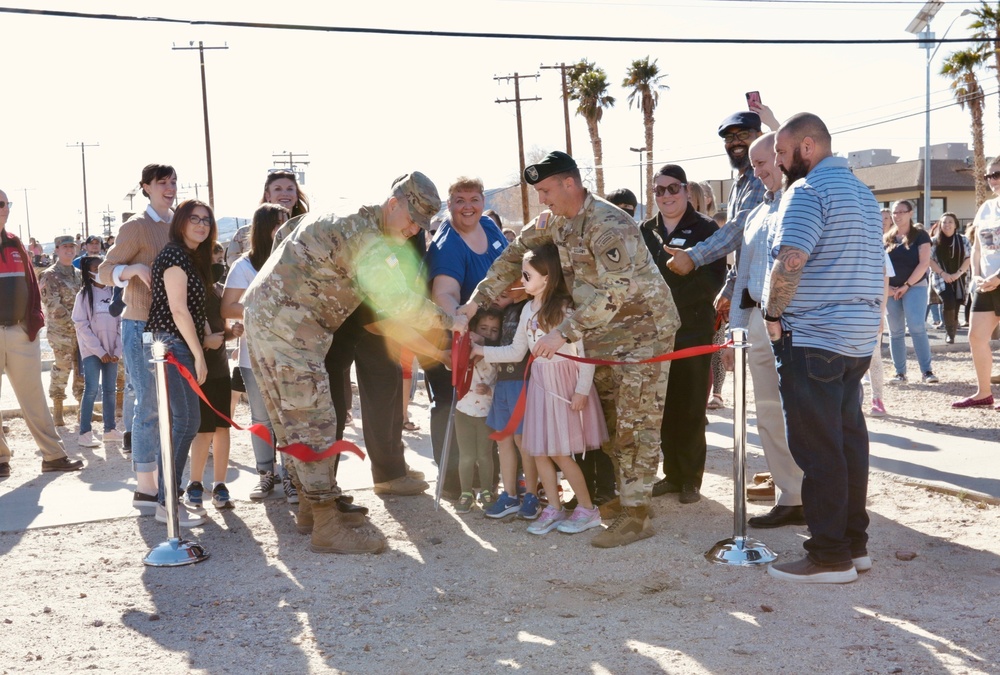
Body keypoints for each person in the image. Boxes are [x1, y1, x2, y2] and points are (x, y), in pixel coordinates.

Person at [459, 151, 680, 549]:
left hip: (642, 335)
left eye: (545, 190)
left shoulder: (609, 224)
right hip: (602, 338)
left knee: (636, 425)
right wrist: (475, 303)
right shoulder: (554, 221)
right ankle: (625, 501)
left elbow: (616, 289)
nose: (541, 199)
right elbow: (512, 257)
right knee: (612, 425)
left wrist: (563, 332)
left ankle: (639, 514)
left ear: (569, 183)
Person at [243, 171, 461, 555]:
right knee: (314, 420)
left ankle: (312, 509)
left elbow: (287, 232)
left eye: (420, 226)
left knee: (296, 418)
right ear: (394, 203)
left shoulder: (350, 213)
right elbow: (398, 303)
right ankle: (326, 522)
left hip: (279, 320)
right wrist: (452, 320)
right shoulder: (367, 239)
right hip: (288, 329)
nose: (413, 231)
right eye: (411, 220)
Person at [762, 113, 884, 583]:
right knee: (849, 443)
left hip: (813, 337)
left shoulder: (807, 192)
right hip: (855, 340)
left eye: (781, 152)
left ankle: (829, 555)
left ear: (807, 147)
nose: (778, 162)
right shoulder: (862, 193)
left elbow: (791, 260)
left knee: (819, 450)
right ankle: (854, 545)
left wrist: (772, 316)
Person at [474, 244, 608, 535]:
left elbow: (582, 356)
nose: (521, 280)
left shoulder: (564, 310)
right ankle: (555, 509)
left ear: (546, 278)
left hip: (564, 386)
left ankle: (587, 509)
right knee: (539, 451)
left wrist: (582, 391)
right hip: (540, 385)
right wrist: (481, 350)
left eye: (526, 274)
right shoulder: (526, 310)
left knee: (561, 453)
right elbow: (515, 350)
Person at [713, 133, 807, 527]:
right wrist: (734, 334)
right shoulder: (755, 214)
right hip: (755, 321)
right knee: (767, 414)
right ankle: (792, 496)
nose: (759, 170)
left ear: (784, 156)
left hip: (796, 322)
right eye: (753, 165)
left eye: (765, 160)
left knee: (803, 413)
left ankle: (820, 492)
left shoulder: (803, 202)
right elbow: (741, 275)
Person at [640, 165, 726, 505]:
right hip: (654, 333)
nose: (665, 196)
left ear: (686, 191)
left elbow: (713, 279)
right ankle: (672, 474)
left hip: (692, 330)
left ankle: (691, 479)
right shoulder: (646, 230)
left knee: (690, 406)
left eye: (672, 189)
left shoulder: (705, 229)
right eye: (658, 190)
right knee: (663, 407)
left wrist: (670, 299)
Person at [98, 163, 176, 509]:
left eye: (173, 181)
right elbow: (103, 270)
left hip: (177, 326)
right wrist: (132, 269)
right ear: (146, 187)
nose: (170, 187)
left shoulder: (180, 223)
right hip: (141, 324)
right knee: (148, 404)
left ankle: (170, 482)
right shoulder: (137, 226)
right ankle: (146, 487)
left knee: (175, 407)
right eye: (162, 182)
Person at [424, 176, 508, 498]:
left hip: (487, 337)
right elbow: (444, 294)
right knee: (450, 405)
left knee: (485, 403)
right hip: (452, 337)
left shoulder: (488, 227)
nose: (468, 207)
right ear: (450, 205)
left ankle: (485, 479)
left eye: (474, 199)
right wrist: (461, 322)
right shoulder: (449, 245)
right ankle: (453, 484)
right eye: (460, 200)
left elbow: (509, 268)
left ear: (483, 201)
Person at [0, 189, 84, 477]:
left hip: (20, 332)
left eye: (6, 203)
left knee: (34, 397)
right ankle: (1, 459)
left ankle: (53, 455)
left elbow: (32, 286)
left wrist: (32, 322)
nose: (4, 208)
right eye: (0, 204)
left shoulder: (15, 243)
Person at [145, 199, 217, 526]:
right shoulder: (174, 254)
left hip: (177, 344)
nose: (201, 224)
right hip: (173, 346)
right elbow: (177, 309)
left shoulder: (189, 257)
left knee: (182, 423)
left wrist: (206, 337)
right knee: (185, 423)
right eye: (194, 218)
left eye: (206, 220)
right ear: (181, 222)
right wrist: (199, 354)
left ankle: (168, 500)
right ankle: (167, 503)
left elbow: (192, 308)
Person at [222, 204, 293, 500]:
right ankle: (266, 474)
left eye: (287, 223)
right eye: (278, 223)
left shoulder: (294, 261)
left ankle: (291, 477)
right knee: (261, 418)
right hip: (254, 356)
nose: (283, 229)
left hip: (292, 355)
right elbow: (227, 307)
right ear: (262, 228)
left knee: (289, 417)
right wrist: (262, 310)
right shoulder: (243, 267)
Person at [186, 243, 238, 513]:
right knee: (203, 430)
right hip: (198, 371)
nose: (218, 264)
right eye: (213, 259)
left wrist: (233, 332)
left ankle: (220, 483)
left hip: (220, 370)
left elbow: (224, 331)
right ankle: (194, 483)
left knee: (222, 427)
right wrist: (206, 342)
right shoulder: (190, 292)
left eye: (220, 259)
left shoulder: (218, 291)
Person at [482, 282, 538, 520]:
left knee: (523, 440)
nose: (499, 296)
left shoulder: (528, 308)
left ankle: (532, 496)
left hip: (522, 381)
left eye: (505, 294)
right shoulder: (498, 314)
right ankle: (510, 496)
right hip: (503, 382)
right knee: (503, 439)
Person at [952, 157, 1000, 409]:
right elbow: (977, 247)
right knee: (976, 336)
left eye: (997, 174)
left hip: (998, 280)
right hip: (985, 283)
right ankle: (984, 392)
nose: (992, 180)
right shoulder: (986, 208)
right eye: (989, 176)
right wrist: (979, 275)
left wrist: (997, 278)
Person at [453, 308, 503, 514]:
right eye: (483, 328)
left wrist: (490, 389)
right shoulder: (467, 348)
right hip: (463, 410)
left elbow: (502, 381)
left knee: (484, 455)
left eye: (494, 330)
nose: (488, 333)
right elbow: (452, 367)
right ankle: (466, 493)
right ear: (474, 329)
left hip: (486, 412)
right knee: (466, 455)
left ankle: (487, 491)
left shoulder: (497, 355)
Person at [72, 256, 123, 448]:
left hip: (112, 352)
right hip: (92, 351)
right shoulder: (83, 295)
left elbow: (121, 324)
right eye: (96, 267)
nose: (100, 270)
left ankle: (109, 430)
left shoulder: (115, 293)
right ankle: (85, 432)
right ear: (88, 272)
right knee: (92, 389)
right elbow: (81, 325)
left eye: (103, 267)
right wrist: (100, 351)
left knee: (110, 390)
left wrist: (117, 350)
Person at [884, 200, 937, 384]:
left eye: (901, 212)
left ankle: (927, 371)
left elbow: (924, 263)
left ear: (910, 213)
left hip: (914, 287)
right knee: (895, 331)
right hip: (891, 290)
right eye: (894, 212)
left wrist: (906, 285)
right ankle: (900, 372)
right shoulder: (887, 237)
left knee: (916, 327)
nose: (897, 215)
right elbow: (881, 266)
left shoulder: (920, 235)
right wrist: (887, 289)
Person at [38, 235, 84, 425]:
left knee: (82, 370)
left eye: (71, 247)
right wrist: (76, 321)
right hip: (61, 332)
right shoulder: (49, 274)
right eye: (64, 247)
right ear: (56, 250)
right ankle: (58, 411)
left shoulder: (80, 274)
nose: (69, 250)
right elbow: (52, 304)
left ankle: (83, 410)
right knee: (62, 369)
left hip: (81, 331)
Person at [929, 212, 971, 345]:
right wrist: (943, 274)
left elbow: (968, 258)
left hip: (960, 276)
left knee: (957, 303)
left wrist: (957, 274)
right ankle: (949, 332)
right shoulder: (934, 241)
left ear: (956, 225)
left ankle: (952, 332)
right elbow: (929, 260)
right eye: (944, 222)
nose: (947, 225)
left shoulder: (963, 239)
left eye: (950, 222)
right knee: (948, 300)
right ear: (940, 225)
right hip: (940, 277)